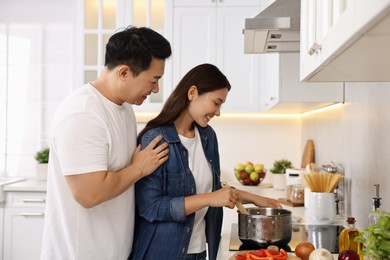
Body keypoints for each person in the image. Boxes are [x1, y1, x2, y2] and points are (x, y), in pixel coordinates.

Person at [40, 26, 172, 260]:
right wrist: (139, 168)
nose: (156, 89)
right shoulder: (83, 114)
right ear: (123, 73)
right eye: (153, 80)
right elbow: (89, 194)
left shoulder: (124, 108)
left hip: (114, 252)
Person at [131, 63, 282, 260]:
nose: (218, 112)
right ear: (192, 93)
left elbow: (207, 187)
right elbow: (151, 207)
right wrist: (210, 199)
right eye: (216, 102)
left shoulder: (207, 136)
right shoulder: (156, 139)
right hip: (162, 252)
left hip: (199, 250)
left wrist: (253, 198)